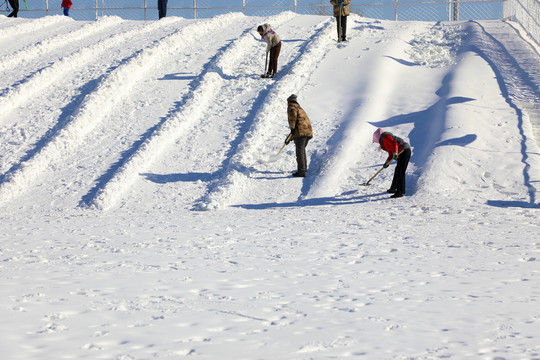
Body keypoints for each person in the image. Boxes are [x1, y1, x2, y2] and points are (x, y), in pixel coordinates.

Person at [372, 128, 411, 198]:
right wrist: (387, 162)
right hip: (401, 152)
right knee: (397, 171)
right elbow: (391, 152)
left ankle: (400, 192)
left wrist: (395, 152)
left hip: (404, 150)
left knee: (400, 171)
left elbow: (394, 143)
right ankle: (393, 188)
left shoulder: (385, 137)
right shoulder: (384, 142)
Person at [286, 94, 313, 177]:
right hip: (308, 131)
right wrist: (290, 137)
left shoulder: (292, 107)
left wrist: (292, 129)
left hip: (301, 132)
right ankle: (303, 168)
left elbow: (293, 118)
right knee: (302, 150)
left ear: (289, 101)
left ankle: (301, 171)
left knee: (299, 151)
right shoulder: (299, 108)